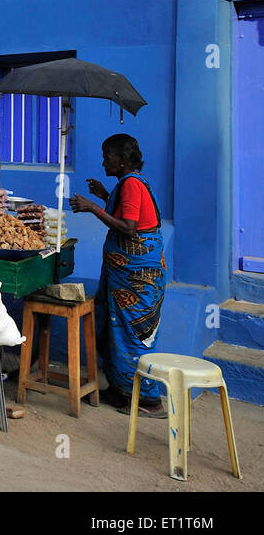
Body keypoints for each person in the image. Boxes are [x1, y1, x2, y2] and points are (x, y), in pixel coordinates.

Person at [69, 133, 166, 418]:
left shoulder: (132, 185)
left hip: (136, 276)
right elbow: (128, 212)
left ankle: (147, 400)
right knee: (115, 328)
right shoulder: (128, 184)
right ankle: (121, 389)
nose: (103, 162)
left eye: (107, 157)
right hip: (124, 274)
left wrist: (93, 207)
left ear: (121, 160)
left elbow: (129, 227)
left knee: (133, 333)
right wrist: (104, 195)